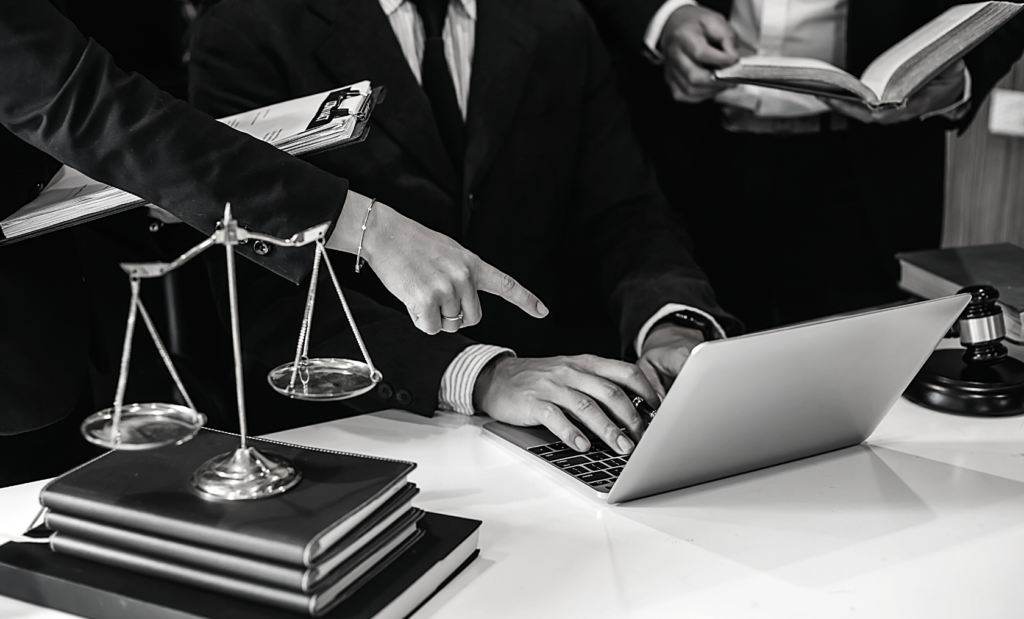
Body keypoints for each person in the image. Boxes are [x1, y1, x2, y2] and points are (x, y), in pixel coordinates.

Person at [0, 0, 546, 484]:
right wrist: (368, 228)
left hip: (58, 336)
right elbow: (80, 102)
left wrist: (158, 176)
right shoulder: (249, 28)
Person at [189, 0, 743, 454]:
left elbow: (625, 210)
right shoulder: (249, 28)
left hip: (552, 426)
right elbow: (262, 290)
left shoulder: (558, 20)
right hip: (356, 431)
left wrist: (670, 321)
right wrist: (478, 374)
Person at [580, 0, 1024, 332]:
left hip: (868, 171)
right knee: (684, 376)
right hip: (678, 153)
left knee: (856, 398)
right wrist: (663, 17)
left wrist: (963, 74)